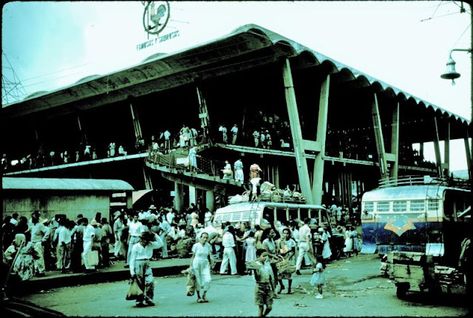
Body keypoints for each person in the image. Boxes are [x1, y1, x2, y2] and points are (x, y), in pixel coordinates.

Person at [129, 231, 163, 307]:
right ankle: (139, 300)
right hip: (138, 263)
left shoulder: (150, 245)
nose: (145, 241)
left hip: (147, 263)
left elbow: (161, 244)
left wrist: (155, 234)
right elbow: (132, 260)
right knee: (139, 282)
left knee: (150, 281)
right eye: (143, 239)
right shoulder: (136, 246)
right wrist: (132, 272)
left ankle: (149, 299)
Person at [247, 249, 275, 317]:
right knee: (261, 307)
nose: (265, 258)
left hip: (268, 287)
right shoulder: (256, 265)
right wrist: (255, 263)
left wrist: (273, 289)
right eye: (263, 256)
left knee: (269, 307)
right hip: (260, 286)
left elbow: (271, 277)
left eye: (266, 256)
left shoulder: (267, 265)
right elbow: (249, 268)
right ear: (258, 256)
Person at [190, 232, 213, 303]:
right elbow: (193, 256)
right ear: (200, 238)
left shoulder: (208, 246)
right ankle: (199, 297)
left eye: (206, 238)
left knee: (208, 279)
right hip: (197, 263)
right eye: (203, 237)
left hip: (205, 263)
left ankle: (204, 294)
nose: (205, 239)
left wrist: (211, 264)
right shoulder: (196, 245)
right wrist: (191, 266)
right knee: (198, 280)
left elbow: (209, 256)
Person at [277, 227, 297, 294]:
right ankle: (281, 286)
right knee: (279, 273)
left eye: (287, 233)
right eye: (284, 233)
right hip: (282, 258)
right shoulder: (280, 241)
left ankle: (289, 288)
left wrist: (289, 257)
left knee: (289, 274)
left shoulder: (292, 241)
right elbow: (279, 249)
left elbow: (293, 251)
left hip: (289, 258)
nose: (286, 235)